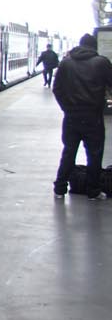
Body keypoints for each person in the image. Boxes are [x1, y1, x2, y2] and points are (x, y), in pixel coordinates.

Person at [52, 33, 112, 199]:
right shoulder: (101, 62)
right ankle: (93, 191)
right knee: (94, 155)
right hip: (93, 117)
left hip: (71, 117)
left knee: (68, 152)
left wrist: (66, 107)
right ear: (94, 46)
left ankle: (59, 189)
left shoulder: (66, 63)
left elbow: (57, 89)